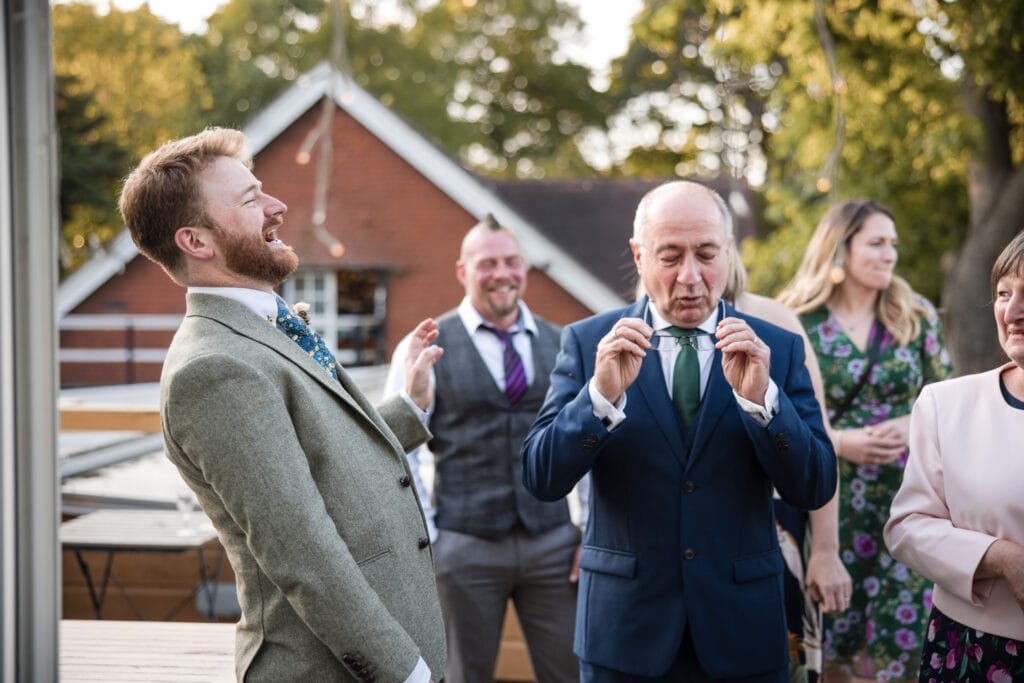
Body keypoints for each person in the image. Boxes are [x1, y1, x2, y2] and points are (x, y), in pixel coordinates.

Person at [118, 127, 447, 682]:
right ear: (197, 242)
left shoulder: (263, 326)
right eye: (250, 200)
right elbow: (302, 552)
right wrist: (407, 673)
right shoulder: (213, 370)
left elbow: (319, 462)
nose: (277, 206)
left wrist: (406, 411)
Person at [522, 180, 837, 683]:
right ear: (639, 255)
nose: (690, 277)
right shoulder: (587, 344)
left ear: (728, 253)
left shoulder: (776, 348)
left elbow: (816, 484)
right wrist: (599, 400)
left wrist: (763, 404)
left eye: (706, 254)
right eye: (670, 257)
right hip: (624, 636)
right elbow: (541, 478)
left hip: (743, 635)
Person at [385, 214, 580, 683]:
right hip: (465, 544)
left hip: (553, 544)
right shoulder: (424, 346)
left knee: (572, 672)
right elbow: (396, 449)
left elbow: (587, 443)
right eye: (487, 263)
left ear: (525, 268)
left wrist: (588, 531)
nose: (501, 273)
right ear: (462, 271)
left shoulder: (565, 343)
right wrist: (430, 538)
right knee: (461, 675)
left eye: (512, 261)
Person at [778, 199, 953, 682]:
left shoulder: (914, 314)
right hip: (830, 506)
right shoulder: (797, 321)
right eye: (876, 243)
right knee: (830, 644)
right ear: (841, 250)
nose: (889, 254)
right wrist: (838, 440)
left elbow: (949, 400)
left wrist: (915, 422)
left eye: (892, 244)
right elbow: (777, 418)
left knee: (904, 646)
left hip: (909, 505)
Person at [884, 229, 1024, 682]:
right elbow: (907, 527)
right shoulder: (946, 404)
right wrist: (1000, 557)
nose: (1013, 312)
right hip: (975, 651)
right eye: (1004, 293)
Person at [724, 248, 852, 683]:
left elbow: (820, 439)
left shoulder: (771, 320)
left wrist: (826, 551)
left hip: (775, 526)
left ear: (726, 248)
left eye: (706, 249)